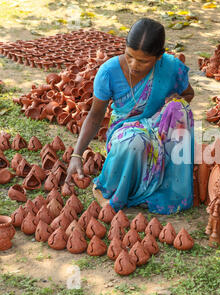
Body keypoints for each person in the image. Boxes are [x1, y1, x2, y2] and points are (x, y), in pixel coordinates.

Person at [65, 18, 195, 215]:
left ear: (159, 56)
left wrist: (177, 100)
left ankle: (165, 185)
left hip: (160, 128)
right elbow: (95, 116)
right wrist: (77, 154)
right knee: (136, 141)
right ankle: (108, 188)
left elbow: (188, 94)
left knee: (180, 110)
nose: (134, 65)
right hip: (126, 132)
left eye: (143, 61)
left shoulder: (170, 68)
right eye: (129, 56)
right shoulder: (109, 72)